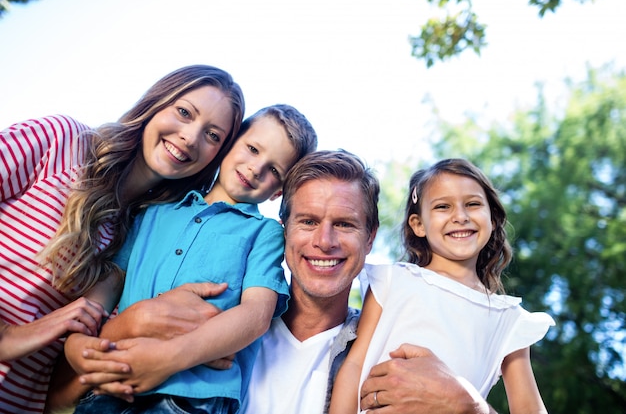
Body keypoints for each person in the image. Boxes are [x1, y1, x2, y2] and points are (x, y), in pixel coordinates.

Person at [54, 150, 500, 414]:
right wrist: (126, 328)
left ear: (369, 240)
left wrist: (471, 408)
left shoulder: (392, 346)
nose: (323, 241)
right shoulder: (223, 325)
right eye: (307, 221)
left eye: (344, 224)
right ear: (282, 232)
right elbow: (56, 400)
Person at [0, 64, 245, 414]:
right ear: (156, 103)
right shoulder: (60, 142)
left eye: (212, 136)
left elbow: (74, 376)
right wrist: (8, 336)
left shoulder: (144, 239)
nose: (190, 137)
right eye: (184, 112)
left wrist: (190, 343)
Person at [59, 105, 318, 414]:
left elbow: (256, 315)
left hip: (192, 399)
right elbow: (104, 291)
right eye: (251, 149)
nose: (255, 169)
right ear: (230, 142)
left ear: (278, 192)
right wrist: (75, 343)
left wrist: (169, 357)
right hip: (113, 382)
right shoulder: (153, 212)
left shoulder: (265, 233)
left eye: (275, 170)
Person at [329, 158, 555, 414]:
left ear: (492, 218)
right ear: (419, 225)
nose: (460, 216)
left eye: (472, 204)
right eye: (443, 206)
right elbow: (354, 366)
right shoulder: (393, 281)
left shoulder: (509, 320)